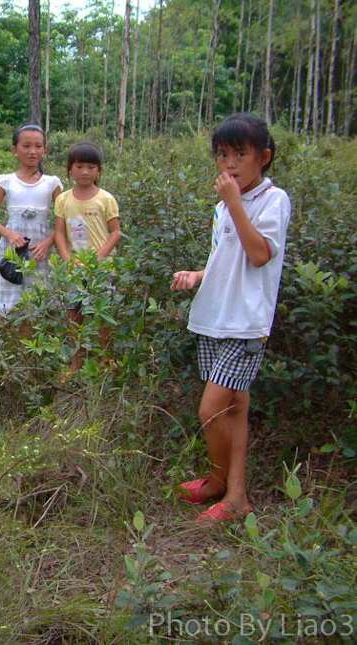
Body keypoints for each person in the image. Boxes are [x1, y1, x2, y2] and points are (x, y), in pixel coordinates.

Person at [171, 113, 291, 523]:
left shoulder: (274, 200)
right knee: (233, 409)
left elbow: (259, 254)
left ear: (264, 157)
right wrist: (198, 275)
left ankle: (226, 485)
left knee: (212, 409)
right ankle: (228, 490)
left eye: (240, 154)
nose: (230, 164)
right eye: (223, 155)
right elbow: (228, 259)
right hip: (214, 316)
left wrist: (236, 204)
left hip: (245, 324)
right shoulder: (223, 208)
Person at [53, 142, 121, 372]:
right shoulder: (63, 199)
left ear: (99, 171)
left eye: (91, 167)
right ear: (69, 169)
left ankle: (105, 361)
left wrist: (97, 260)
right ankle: (76, 362)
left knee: (102, 315)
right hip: (74, 268)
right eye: (79, 166)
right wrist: (67, 260)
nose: (85, 172)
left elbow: (115, 232)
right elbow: (59, 233)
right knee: (74, 314)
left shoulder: (106, 199)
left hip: (102, 269)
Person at [0, 123, 63, 317]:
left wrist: (47, 243)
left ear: (45, 150)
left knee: (39, 300)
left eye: (38, 146)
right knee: (7, 304)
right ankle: (7, 344)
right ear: (14, 150)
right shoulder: (6, 181)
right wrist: (9, 234)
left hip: (40, 253)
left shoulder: (52, 183)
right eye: (26, 146)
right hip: (12, 251)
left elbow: (64, 221)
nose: (32, 151)